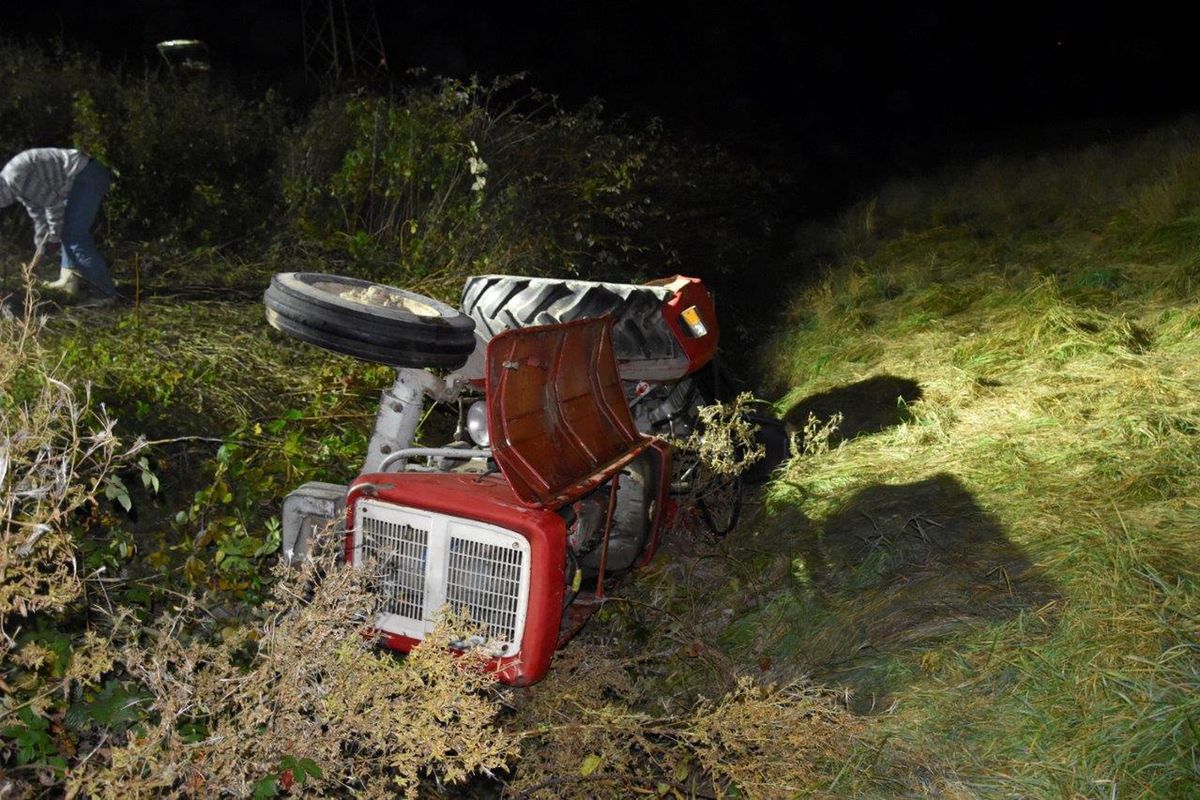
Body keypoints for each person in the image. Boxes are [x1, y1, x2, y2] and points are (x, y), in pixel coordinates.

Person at [0, 147, 117, 307]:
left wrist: (53, 239)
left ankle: (105, 294)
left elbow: (53, 205)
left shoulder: (16, 179)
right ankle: (68, 281)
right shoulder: (13, 183)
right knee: (67, 230)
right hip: (78, 179)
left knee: (75, 236)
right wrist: (40, 249)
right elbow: (39, 214)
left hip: (86, 176)